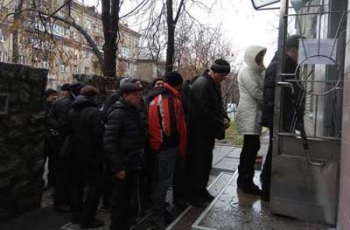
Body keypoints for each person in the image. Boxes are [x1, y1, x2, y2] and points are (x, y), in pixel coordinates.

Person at [261, 35, 302, 201]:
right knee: (275, 152)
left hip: (282, 118)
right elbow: (274, 97)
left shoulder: (286, 64)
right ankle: (268, 189)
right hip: (279, 119)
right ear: (292, 50)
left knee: (275, 151)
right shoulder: (281, 65)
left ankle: (270, 187)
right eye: (301, 51)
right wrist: (281, 120)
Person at [186, 59, 230, 208]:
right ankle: (193, 195)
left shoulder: (213, 84)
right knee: (198, 165)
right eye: (223, 76)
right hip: (198, 133)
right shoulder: (201, 85)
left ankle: (201, 190)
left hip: (206, 133)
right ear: (215, 72)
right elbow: (204, 111)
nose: (224, 79)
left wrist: (225, 117)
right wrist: (220, 123)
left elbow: (219, 105)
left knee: (205, 164)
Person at [104, 83, 147, 230]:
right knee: (118, 199)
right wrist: (118, 167)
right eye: (135, 94)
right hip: (122, 163)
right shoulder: (118, 113)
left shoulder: (133, 110)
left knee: (127, 196)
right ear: (125, 95)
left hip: (132, 162)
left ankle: (125, 223)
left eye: (139, 94)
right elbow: (109, 142)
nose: (138, 97)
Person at [148, 71, 187, 228]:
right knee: (162, 182)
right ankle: (157, 214)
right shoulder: (167, 98)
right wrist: (178, 140)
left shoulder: (160, 95)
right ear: (178, 84)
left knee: (160, 181)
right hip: (165, 146)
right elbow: (169, 128)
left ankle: (158, 210)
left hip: (160, 145)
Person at [68, 86, 105, 228]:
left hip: (74, 153)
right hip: (91, 156)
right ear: (93, 97)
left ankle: (76, 216)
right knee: (95, 187)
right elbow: (99, 135)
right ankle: (88, 218)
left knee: (77, 185)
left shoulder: (72, 110)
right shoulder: (94, 112)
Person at [47, 82, 85, 212]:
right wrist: (62, 128)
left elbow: (49, 118)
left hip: (60, 142)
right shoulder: (74, 104)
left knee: (62, 174)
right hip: (68, 143)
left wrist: (57, 127)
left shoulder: (60, 103)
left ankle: (62, 201)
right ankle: (63, 202)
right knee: (66, 175)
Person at [235, 45, 267, 196]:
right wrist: (268, 100)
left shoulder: (256, 71)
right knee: (250, 148)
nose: (260, 59)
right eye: (258, 56)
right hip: (249, 113)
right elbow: (256, 91)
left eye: (261, 56)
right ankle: (245, 181)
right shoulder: (246, 71)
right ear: (251, 56)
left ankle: (244, 180)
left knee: (251, 147)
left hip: (254, 113)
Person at [43, 88, 57, 189]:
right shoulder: (43, 107)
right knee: (42, 161)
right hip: (45, 139)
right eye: (52, 95)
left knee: (53, 162)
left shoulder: (55, 106)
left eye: (55, 95)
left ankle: (51, 182)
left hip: (52, 140)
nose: (55, 97)